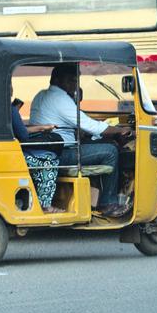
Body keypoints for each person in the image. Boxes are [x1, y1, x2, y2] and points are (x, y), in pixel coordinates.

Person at [30, 64, 131, 217]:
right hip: (62, 154)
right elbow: (92, 126)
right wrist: (120, 130)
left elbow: (78, 125)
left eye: (76, 81)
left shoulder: (41, 95)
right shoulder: (60, 98)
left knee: (103, 145)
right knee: (111, 150)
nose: (75, 85)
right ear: (56, 80)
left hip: (48, 150)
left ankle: (94, 199)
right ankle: (107, 203)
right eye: (71, 81)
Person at [11, 91, 61, 213]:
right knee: (50, 160)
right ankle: (44, 205)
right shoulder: (10, 110)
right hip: (12, 155)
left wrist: (42, 127)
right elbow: (23, 135)